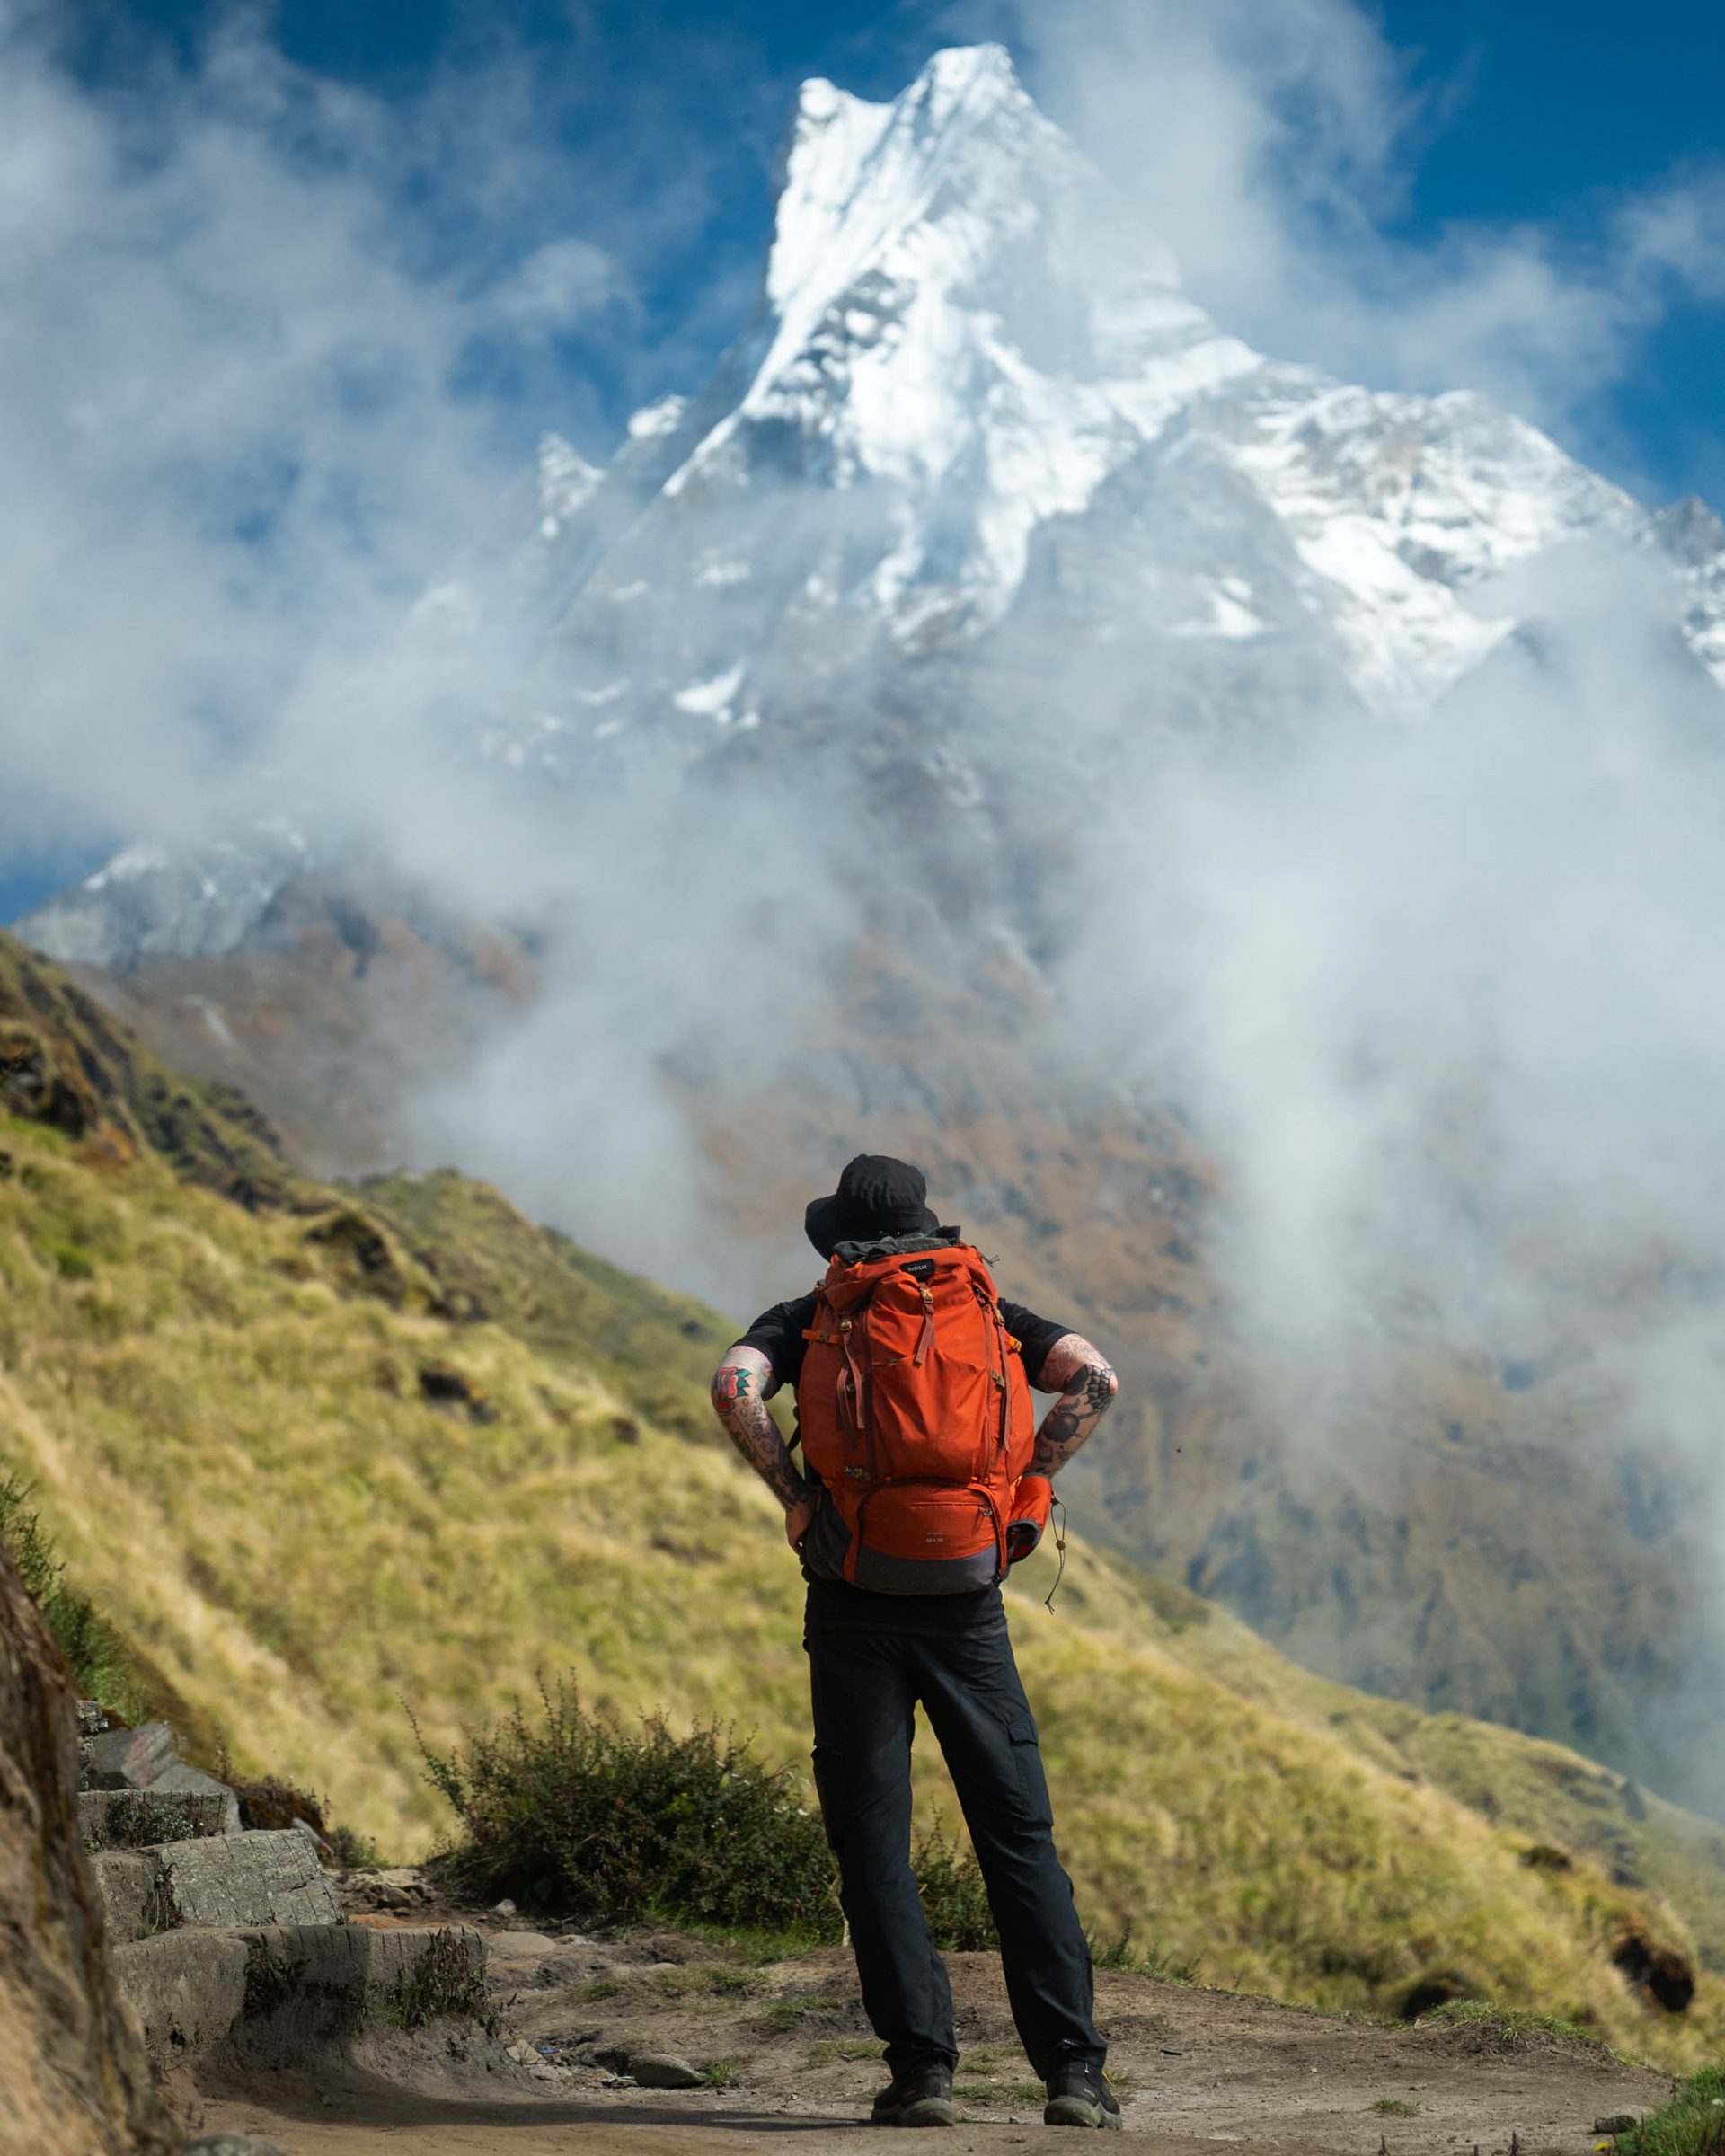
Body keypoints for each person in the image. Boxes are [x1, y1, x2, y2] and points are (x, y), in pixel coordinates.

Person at [710, 1153, 1121, 2130]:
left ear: (840, 1235)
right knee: (1017, 1838)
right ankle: (1074, 2077)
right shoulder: (987, 1305)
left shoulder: (814, 1313)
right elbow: (1097, 1379)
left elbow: (734, 1387)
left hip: (853, 1598)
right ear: (929, 1229)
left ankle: (923, 2073)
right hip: (969, 1604)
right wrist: (1025, 1490)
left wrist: (799, 1500)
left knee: (874, 1842)